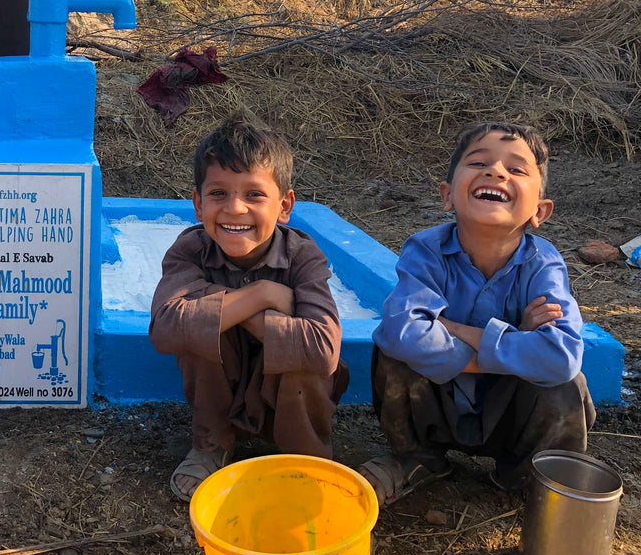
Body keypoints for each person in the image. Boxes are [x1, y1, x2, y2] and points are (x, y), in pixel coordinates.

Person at [360, 122, 594, 506]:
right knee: (392, 355)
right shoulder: (425, 251)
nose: (496, 172)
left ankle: (533, 478)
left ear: (540, 210)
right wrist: (516, 340)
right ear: (447, 194)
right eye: (479, 162)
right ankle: (417, 460)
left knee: (567, 384)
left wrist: (452, 328)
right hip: (439, 401)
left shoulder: (543, 265)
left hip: (510, 412)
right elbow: (400, 331)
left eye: (517, 169)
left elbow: (562, 357)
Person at [150, 115, 348, 501]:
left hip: (288, 402)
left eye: (254, 195)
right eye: (219, 194)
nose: (235, 209)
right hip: (221, 392)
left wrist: (227, 310)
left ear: (285, 205)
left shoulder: (303, 256)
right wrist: (262, 295)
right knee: (197, 336)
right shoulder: (190, 250)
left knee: (298, 360)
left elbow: (323, 350)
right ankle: (211, 443)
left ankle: (305, 459)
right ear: (198, 202)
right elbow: (165, 327)